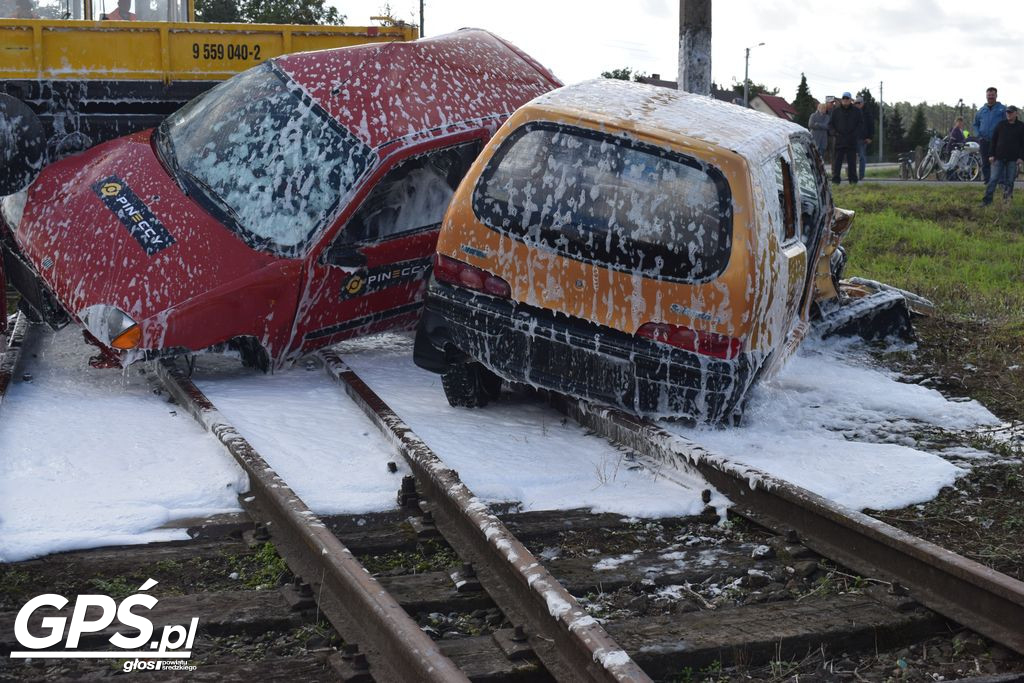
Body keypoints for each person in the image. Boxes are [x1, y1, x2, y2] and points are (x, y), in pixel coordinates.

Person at [981, 105, 1024, 205]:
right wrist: (991, 154)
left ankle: (1006, 201)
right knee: (993, 179)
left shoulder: (1021, 126)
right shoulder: (1001, 124)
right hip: (998, 157)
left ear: (1016, 113)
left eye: (1011, 112)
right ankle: (987, 201)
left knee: (1010, 181)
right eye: (1007, 112)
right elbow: (993, 140)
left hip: (1013, 159)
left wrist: (1021, 157)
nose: (1008, 114)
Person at [972, 87, 1007, 183]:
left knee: (999, 162)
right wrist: (978, 135)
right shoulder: (981, 111)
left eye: (992, 95)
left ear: (996, 95)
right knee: (985, 162)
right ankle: (987, 181)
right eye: (989, 95)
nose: (990, 97)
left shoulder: (1003, 109)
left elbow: (1007, 124)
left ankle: (1001, 182)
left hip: (998, 141)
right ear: (986, 96)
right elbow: (975, 124)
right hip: (984, 140)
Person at [829, 92, 863, 185]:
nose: (845, 100)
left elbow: (860, 124)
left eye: (847, 98)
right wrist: (834, 133)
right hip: (839, 140)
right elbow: (831, 124)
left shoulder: (856, 111)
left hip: (851, 141)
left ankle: (853, 180)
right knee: (837, 162)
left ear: (850, 100)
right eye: (843, 98)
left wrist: (855, 134)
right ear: (841, 100)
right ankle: (836, 180)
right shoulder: (836, 111)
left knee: (852, 162)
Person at [854, 95, 874, 181]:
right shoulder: (852, 112)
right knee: (852, 157)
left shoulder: (867, 113)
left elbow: (871, 126)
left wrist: (870, 137)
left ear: (862, 103)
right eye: (856, 103)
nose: (857, 104)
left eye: (858, 103)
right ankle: (853, 174)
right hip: (853, 138)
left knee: (862, 157)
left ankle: (861, 176)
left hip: (863, 138)